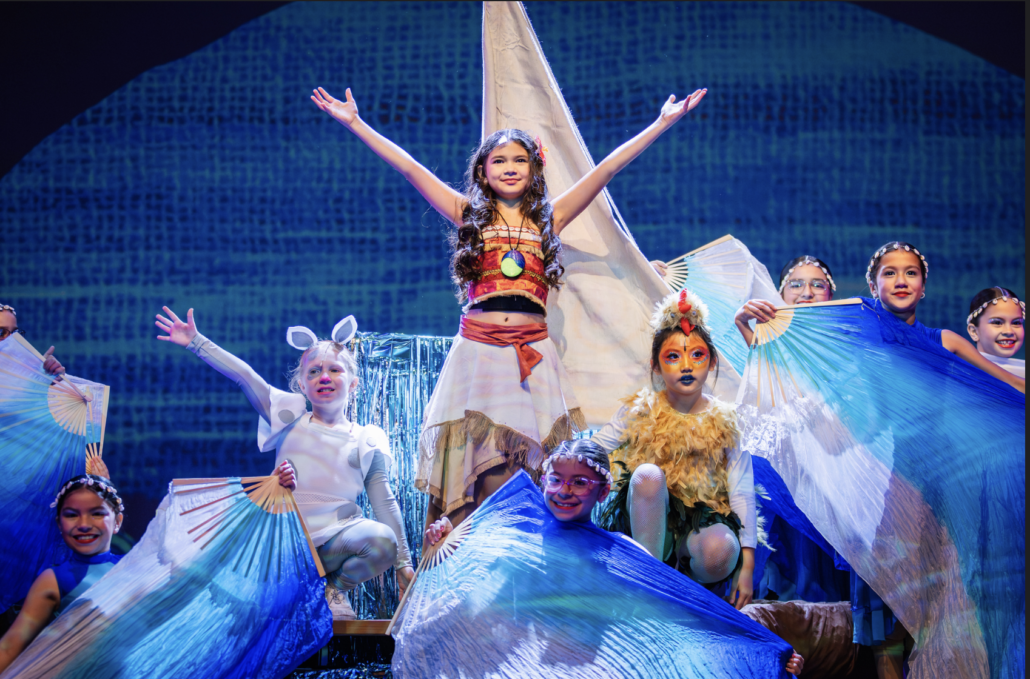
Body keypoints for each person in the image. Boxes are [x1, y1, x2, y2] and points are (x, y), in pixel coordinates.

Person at [310, 84, 709, 536]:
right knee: (475, 465)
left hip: (530, 358)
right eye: (499, 160)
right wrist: (357, 123)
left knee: (527, 467)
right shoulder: (468, 214)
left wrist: (660, 123)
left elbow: (606, 169)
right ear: (483, 171)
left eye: (520, 160)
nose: (510, 168)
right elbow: (409, 168)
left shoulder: (549, 218)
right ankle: (464, 554)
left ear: (534, 169)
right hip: (480, 355)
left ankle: (522, 554)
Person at [424, 439, 804, 676]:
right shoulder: (517, 536)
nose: (564, 490)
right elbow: (471, 587)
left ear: (602, 492)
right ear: (542, 481)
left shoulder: (621, 553)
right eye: (556, 479)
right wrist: (446, 544)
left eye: (579, 482)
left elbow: (687, 609)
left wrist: (769, 649)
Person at [155, 307, 414, 620]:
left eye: (334, 370)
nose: (324, 377)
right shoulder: (289, 418)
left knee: (382, 540)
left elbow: (383, 500)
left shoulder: (366, 437)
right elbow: (244, 376)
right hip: (284, 543)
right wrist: (197, 342)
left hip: (335, 544)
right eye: (314, 372)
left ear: (354, 383)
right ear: (302, 385)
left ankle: (332, 591)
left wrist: (403, 563)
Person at [591, 289, 760, 612]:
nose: (686, 366)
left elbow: (741, 490)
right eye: (673, 357)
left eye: (696, 355)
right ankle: (649, 585)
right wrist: (560, 463)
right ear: (655, 366)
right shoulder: (640, 410)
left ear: (712, 361)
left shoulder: (727, 420)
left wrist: (748, 566)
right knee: (648, 476)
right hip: (646, 523)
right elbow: (594, 449)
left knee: (721, 548)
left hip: (700, 530)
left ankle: (688, 592)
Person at [0, 471, 123, 673]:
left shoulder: (134, 566)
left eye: (97, 513)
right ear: (59, 523)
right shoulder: (53, 580)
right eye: (72, 515)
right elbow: (10, 647)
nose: (84, 525)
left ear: (117, 521)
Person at [865, 242, 1024, 393]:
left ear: (923, 285)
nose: (901, 282)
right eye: (890, 273)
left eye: (911, 273)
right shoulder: (859, 337)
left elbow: (1013, 383)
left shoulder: (947, 342)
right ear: (873, 287)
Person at [733, 255, 835, 346]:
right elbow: (761, 359)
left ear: (830, 295)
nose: (807, 293)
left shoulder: (843, 337)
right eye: (796, 285)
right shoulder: (770, 339)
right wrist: (742, 324)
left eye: (817, 285)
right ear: (781, 295)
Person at [965, 286, 1024, 378]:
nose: (1009, 331)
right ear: (974, 332)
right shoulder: (960, 374)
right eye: (997, 322)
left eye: (1016, 323)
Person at [0, 303, 66, 378]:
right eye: (1, 333)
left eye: (15, 333)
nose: (11, 340)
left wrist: (45, 377)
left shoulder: (24, 376)